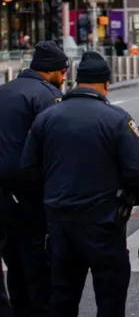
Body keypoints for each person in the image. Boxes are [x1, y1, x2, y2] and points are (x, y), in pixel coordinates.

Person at [20, 51, 139, 316]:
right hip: (103, 220)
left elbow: (28, 168)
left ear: (76, 81)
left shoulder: (47, 117)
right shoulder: (116, 118)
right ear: (106, 84)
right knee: (110, 296)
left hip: (60, 220)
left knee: (63, 295)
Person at [0, 41, 68, 317]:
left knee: (12, 258)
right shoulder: (46, 96)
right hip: (29, 191)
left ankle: (19, 309)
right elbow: (55, 147)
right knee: (36, 258)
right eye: (63, 72)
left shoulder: (4, 91)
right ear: (51, 71)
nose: (64, 78)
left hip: (3, 191)